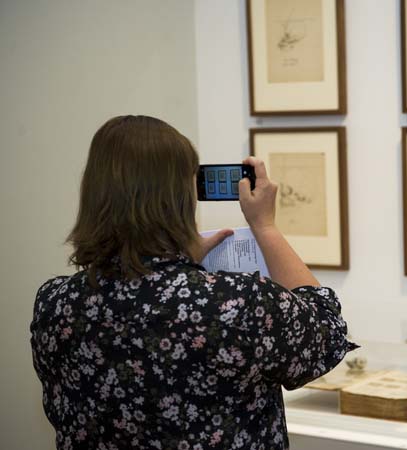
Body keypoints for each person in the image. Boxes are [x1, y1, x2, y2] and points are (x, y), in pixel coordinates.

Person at [30, 115, 357, 450]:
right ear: (179, 198)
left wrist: (175, 261)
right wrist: (266, 227)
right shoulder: (236, 303)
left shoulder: (54, 304)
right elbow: (326, 331)